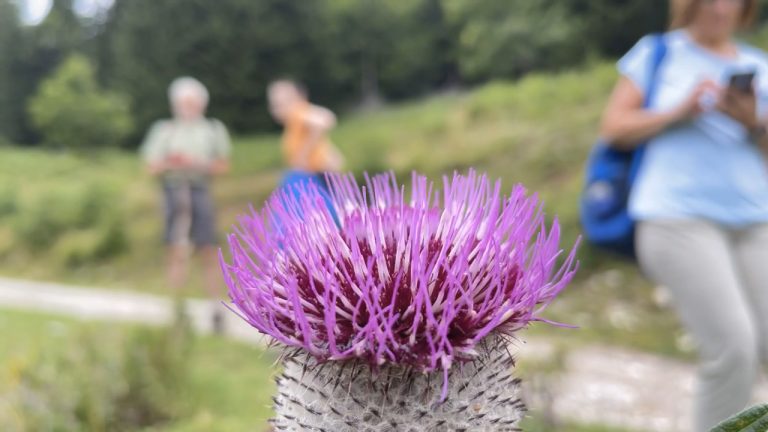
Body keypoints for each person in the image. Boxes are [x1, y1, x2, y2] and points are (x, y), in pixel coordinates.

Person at [601, 0, 768, 429]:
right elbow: (614, 128)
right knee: (733, 346)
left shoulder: (758, 63)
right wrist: (681, 111)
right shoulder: (657, 52)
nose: (720, 7)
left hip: (754, 218)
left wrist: (752, 122)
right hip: (676, 217)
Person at [140, 77, 231, 333]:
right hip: (173, 191)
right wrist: (172, 162)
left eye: (192, 102)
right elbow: (151, 166)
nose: (187, 107)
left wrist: (194, 163)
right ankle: (176, 311)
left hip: (200, 190)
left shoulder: (212, 129)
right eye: (182, 103)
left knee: (208, 248)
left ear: (201, 104)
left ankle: (216, 309)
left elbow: (223, 165)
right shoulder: (164, 130)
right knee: (174, 247)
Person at [267, 79, 343, 187]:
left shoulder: (298, 113)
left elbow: (325, 120)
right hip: (314, 176)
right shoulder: (292, 125)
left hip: (319, 176)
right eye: (274, 104)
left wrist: (303, 153)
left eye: (282, 103)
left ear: (299, 98)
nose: (277, 109)